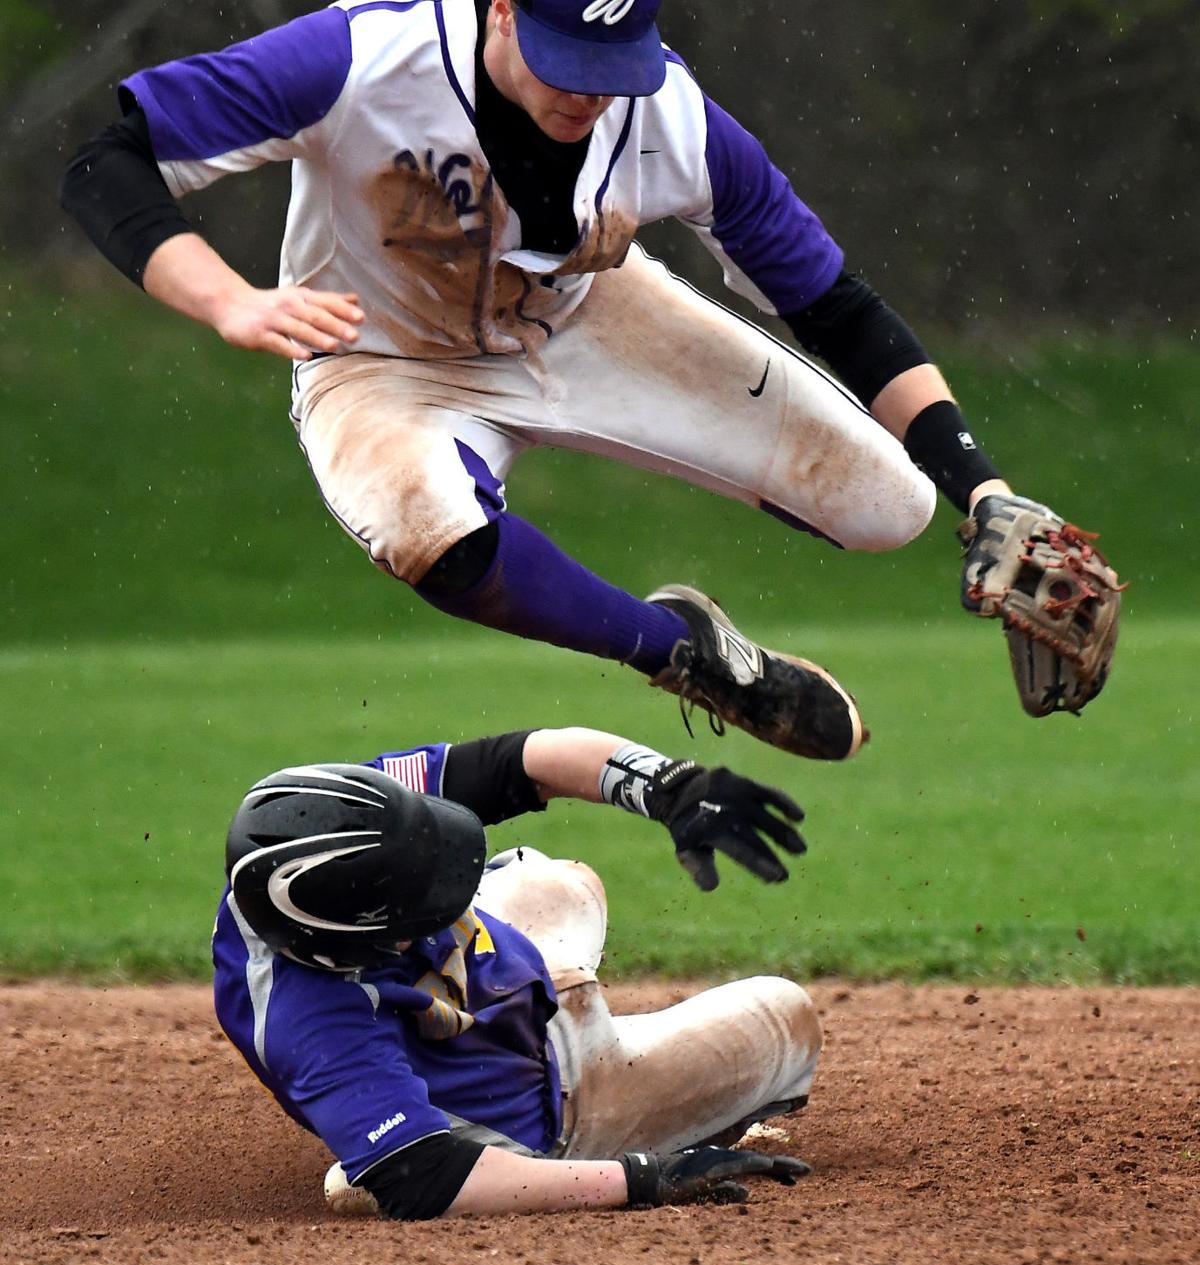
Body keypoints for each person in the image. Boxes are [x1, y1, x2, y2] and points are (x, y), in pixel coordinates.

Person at [60, 0, 1072, 759]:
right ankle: (680, 652)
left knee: (890, 503)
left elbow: (833, 303)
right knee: (433, 536)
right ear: (499, 10)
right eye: (566, 59)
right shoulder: (363, 55)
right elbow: (110, 161)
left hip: (588, 321)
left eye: (612, 63)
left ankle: (915, 499)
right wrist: (226, 299)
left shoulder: (668, 114)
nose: (589, 90)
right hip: (383, 362)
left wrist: (981, 487)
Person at [216, 726, 822, 1219]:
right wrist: (641, 1177)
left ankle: (374, 1133)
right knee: (786, 1018)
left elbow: (523, 758)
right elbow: (428, 1181)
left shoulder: (339, 822)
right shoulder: (311, 1021)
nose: (444, 891)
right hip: (544, 1111)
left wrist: (671, 787)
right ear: (352, 943)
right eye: (418, 901)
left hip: (496, 985)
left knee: (560, 882)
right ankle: (388, 1146)